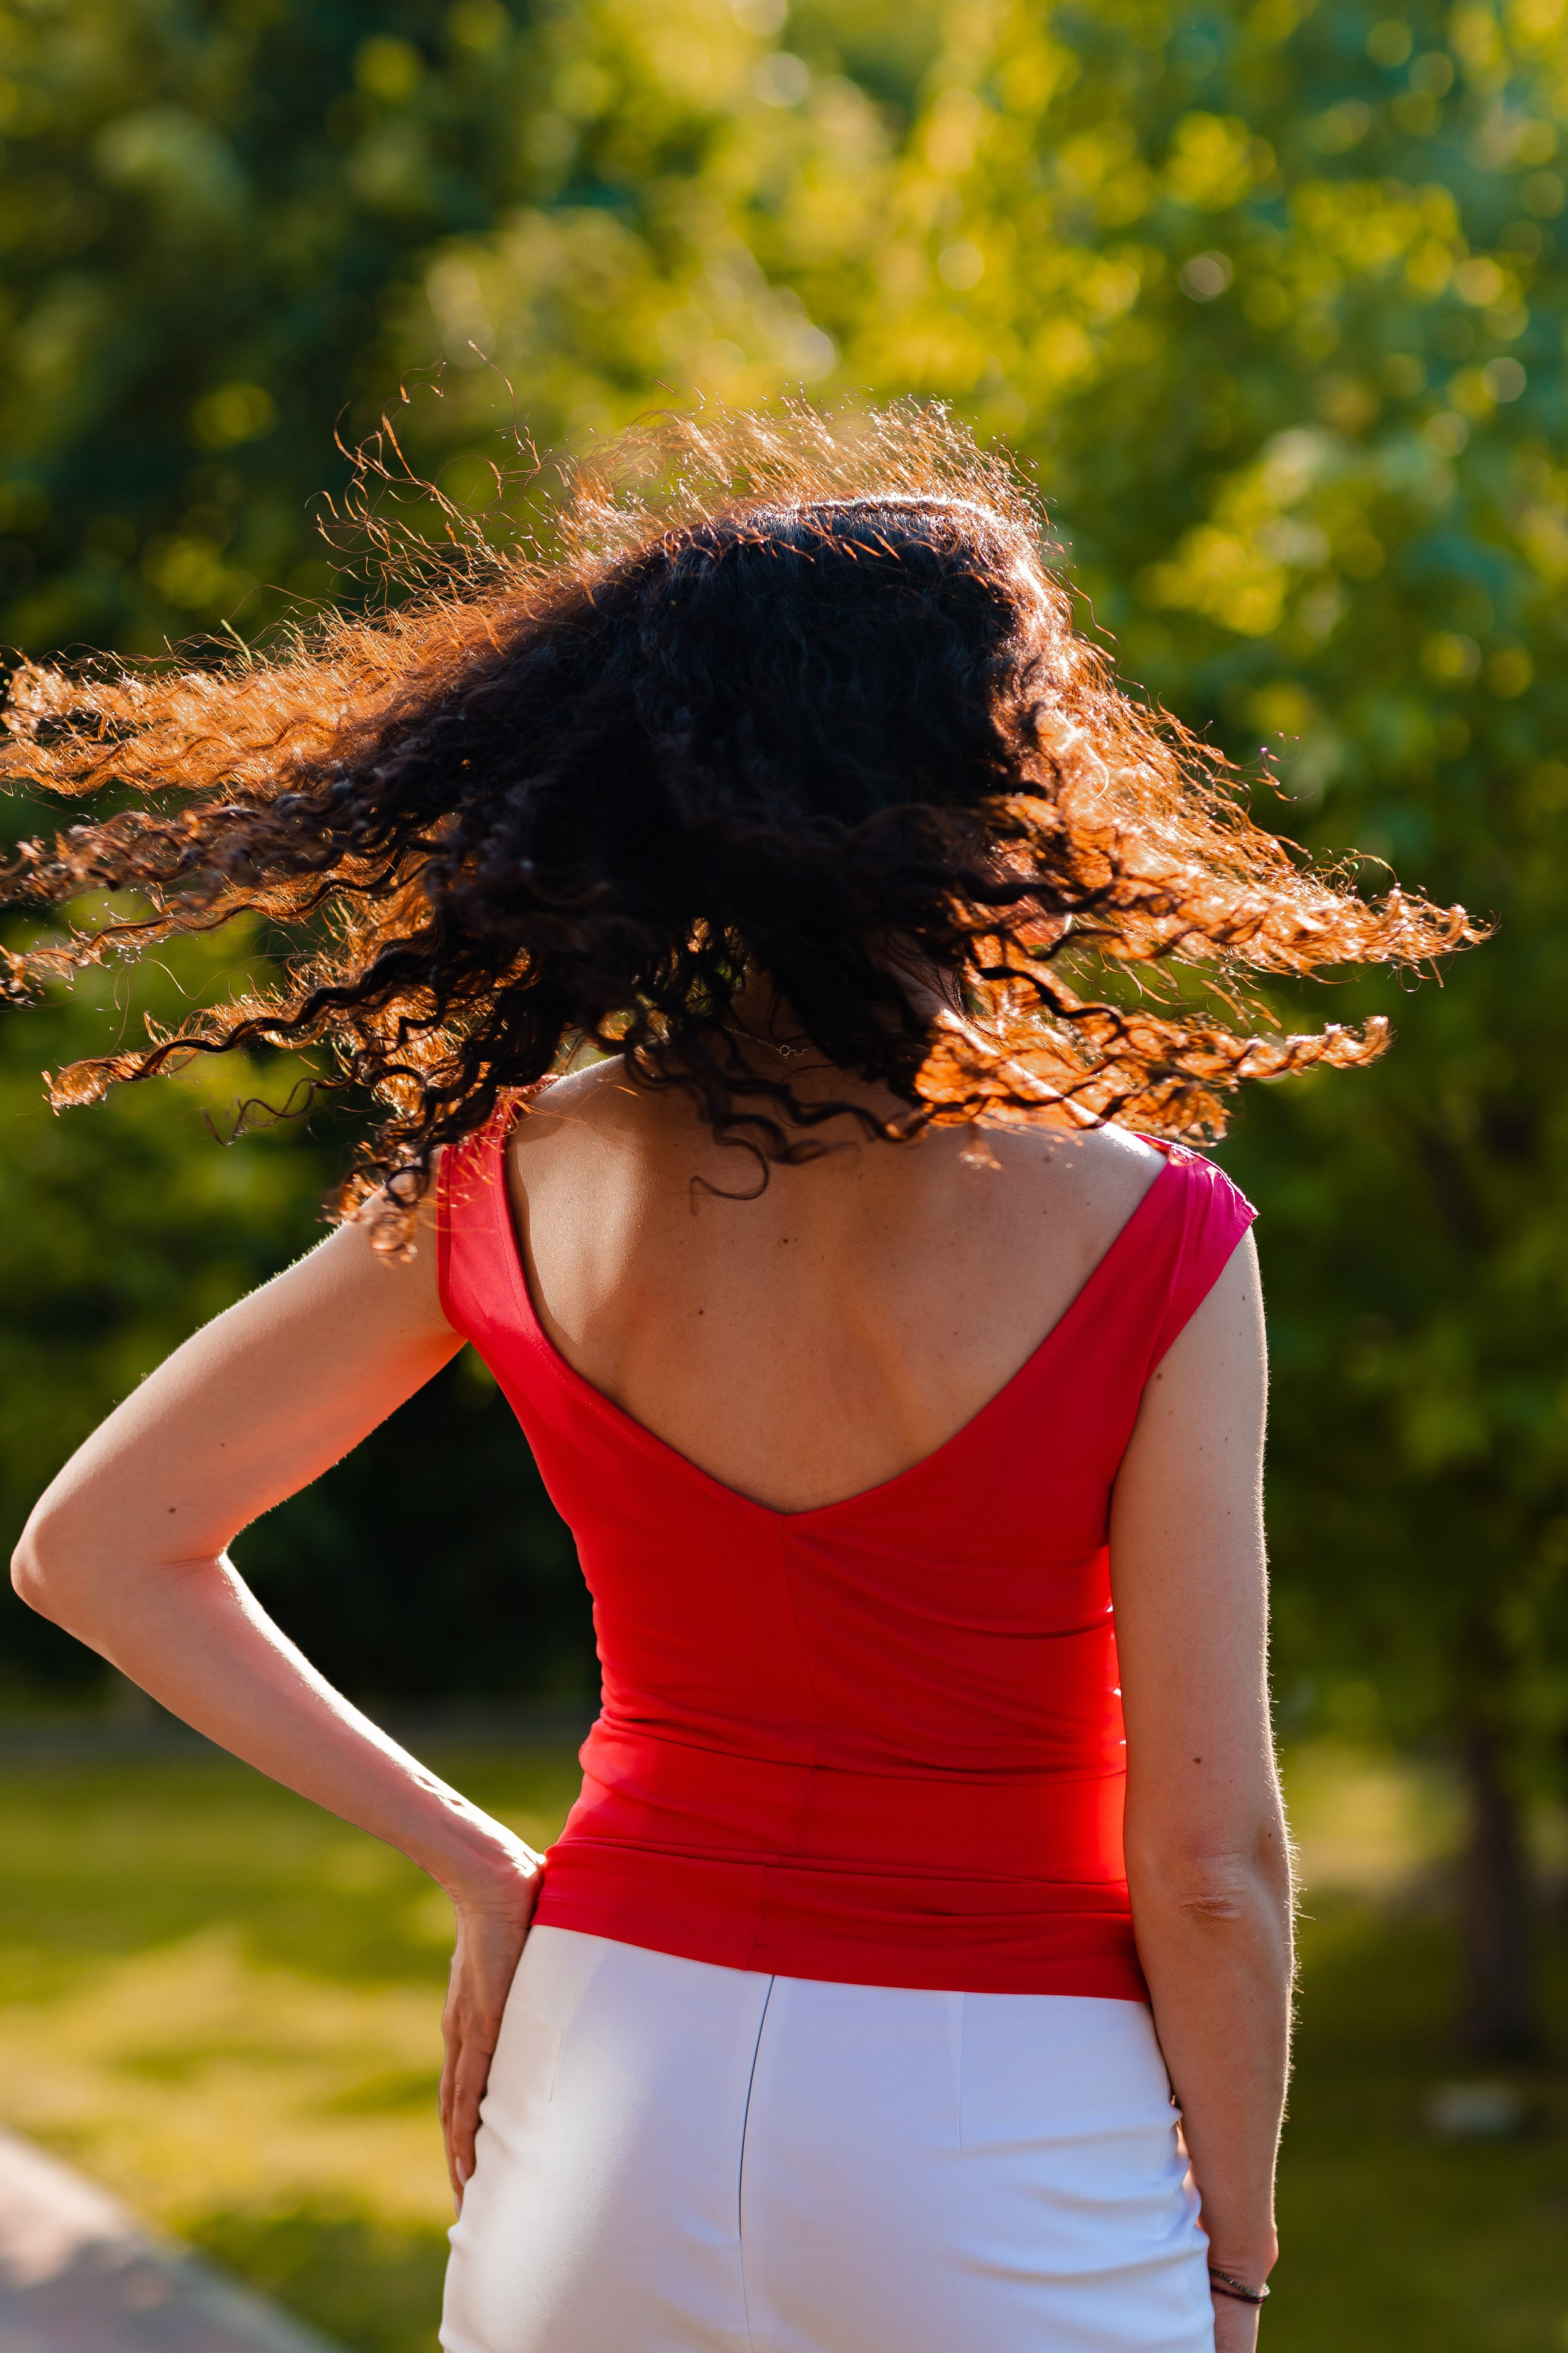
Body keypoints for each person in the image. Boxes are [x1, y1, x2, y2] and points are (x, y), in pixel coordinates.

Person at [6, 405, 1472, 2353]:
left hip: (609, 2073)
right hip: (1004, 2124)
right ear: (977, 780)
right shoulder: (1156, 1239)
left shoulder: (518, 1172)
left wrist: (482, 1862)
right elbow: (1210, 1868)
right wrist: (1238, 2253)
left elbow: (98, 1545)